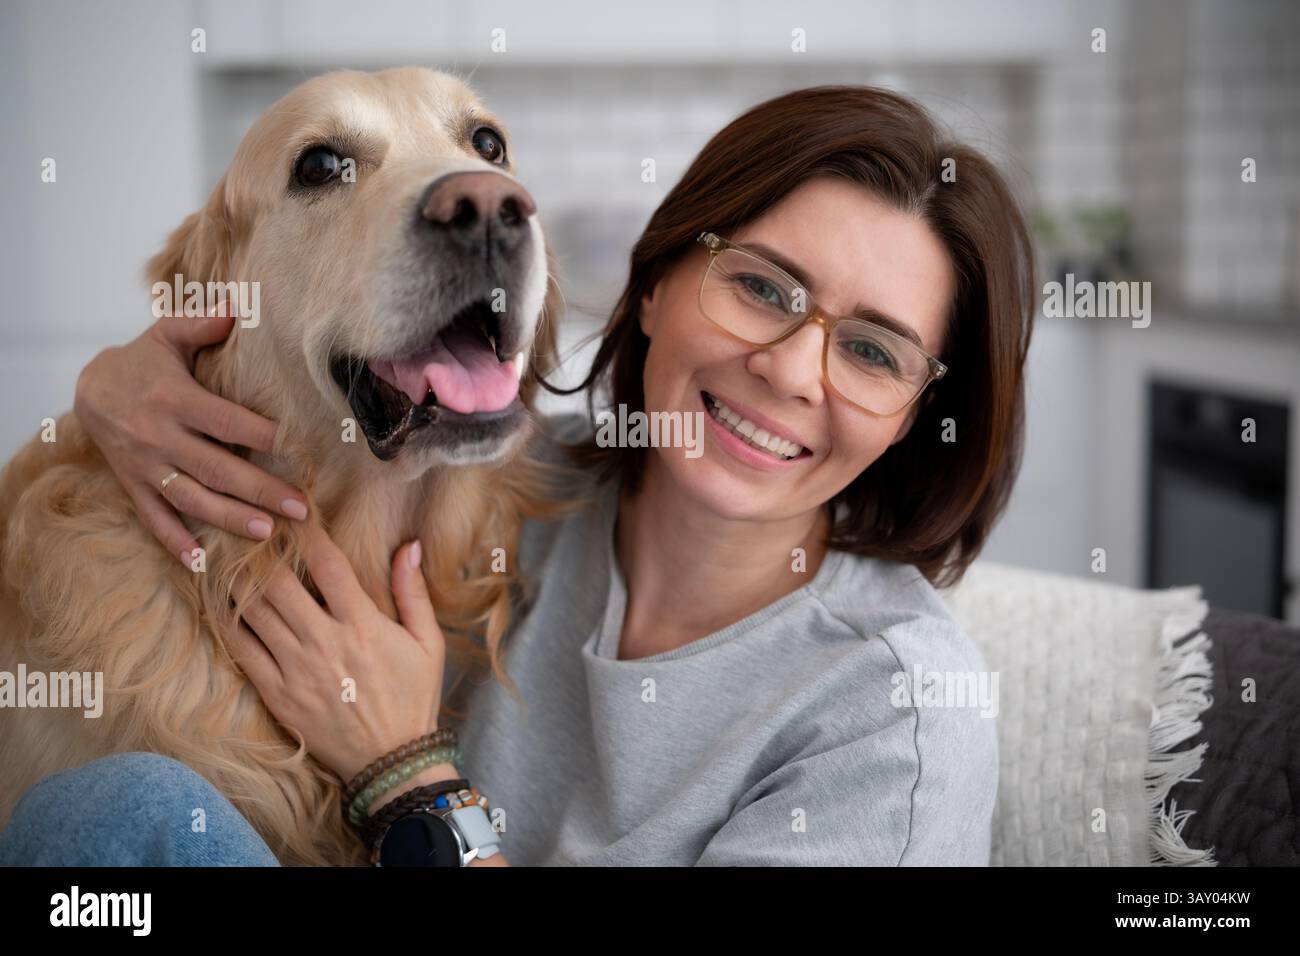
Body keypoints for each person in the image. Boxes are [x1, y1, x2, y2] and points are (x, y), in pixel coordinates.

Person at [0, 84, 1033, 866]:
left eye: (872, 352)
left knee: (119, 816)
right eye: (762, 287)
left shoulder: (895, 719)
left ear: (915, 416)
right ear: (659, 278)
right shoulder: (512, 488)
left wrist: (406, 771)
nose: (789, 371)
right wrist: (118, 384)